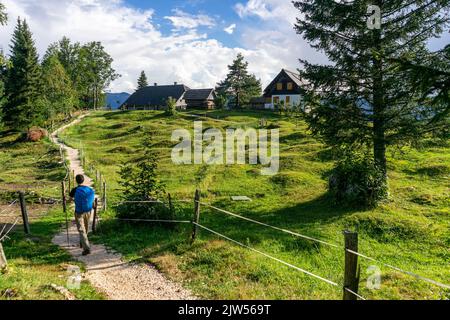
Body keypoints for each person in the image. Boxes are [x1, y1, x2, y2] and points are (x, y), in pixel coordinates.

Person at [69, 174, 95, 256]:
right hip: (88, 211)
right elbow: (93, 201)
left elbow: (69, 200)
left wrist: (69, 200)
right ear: (83, 180)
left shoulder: (74, 190)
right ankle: (83, 243)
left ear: (76, 181)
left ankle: (86, 248)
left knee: (81, 229)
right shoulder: (89, 189)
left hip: (79, 212)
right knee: (86, 228)